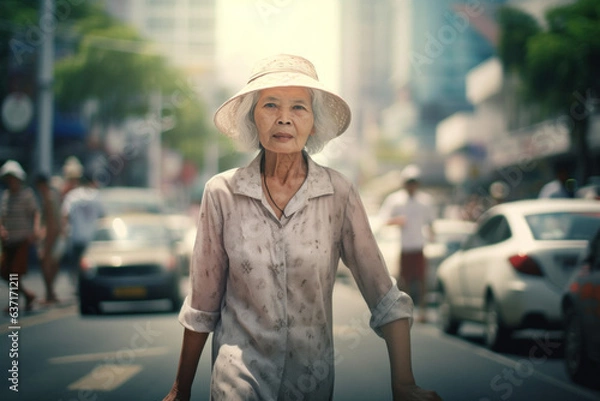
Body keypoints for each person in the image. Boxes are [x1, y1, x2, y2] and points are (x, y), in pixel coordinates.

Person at [163, 54, 442, 401]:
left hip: (311, 382)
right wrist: (180, 389)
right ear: (253, 117)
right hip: (238, 379)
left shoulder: (338, 193)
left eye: (298, 107)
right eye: (270, 106)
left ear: (314, 123)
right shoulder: (222, 193)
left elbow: (384, 295)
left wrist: (404, 384)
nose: (283, 118)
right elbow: (202, 304)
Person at [378, 164, 435, 324]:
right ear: (404, 183)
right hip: (405, 247)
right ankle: (406, 312)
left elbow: (431, 222)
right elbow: (384, 219)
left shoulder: (425, 201)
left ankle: (423, 312)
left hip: (419, 246)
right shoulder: (396, 200)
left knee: (422, 281)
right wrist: (397, 221)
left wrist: (432, 236)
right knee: (405, 281)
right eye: (409, 182)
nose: (411, 185)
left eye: (414, 182)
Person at [0, 160, 41, 312]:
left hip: (21, 239)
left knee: (15, 273)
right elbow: (3, 217)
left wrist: (35, 230)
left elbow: (35, 213)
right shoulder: (6, 196)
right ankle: (28, 295)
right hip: (8, 241)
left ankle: (14, 304)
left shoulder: (26, 195)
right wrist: (1, 229)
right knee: (5, 272)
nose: (12, 182)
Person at [61, 169, 105, 283]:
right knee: (92, 266)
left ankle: (77, 286)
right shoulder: (97, 196)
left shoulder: (73, 196)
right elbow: (103, 216)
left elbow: (65, 215)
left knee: (76, 265)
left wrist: (65, 232)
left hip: (77, 236)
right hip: (93, 238)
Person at [35, 172, 65, 305]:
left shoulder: (48, 197)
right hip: (54, 235)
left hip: (51, 236)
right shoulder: (51, 196)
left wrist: (48, 243)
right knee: (52, 265)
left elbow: (52, 223)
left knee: (47, 264)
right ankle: (50, 293)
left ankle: (50, 294)